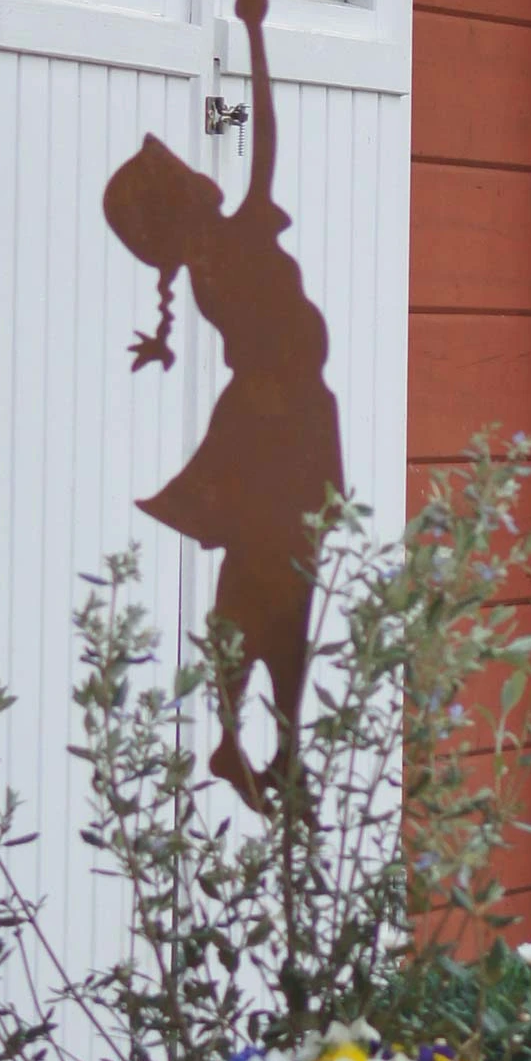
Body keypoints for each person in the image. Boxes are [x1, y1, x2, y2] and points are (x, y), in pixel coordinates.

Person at [103, 131, 344, 807]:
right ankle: (264, 743)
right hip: (279, 421)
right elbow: (264, 136)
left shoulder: (209, 257)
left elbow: (261, 138)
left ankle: (258, 742)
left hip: (289, 418)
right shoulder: (229, 242)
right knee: (280, 573)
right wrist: (257, 41)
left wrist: (257, 39)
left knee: (276, 574)